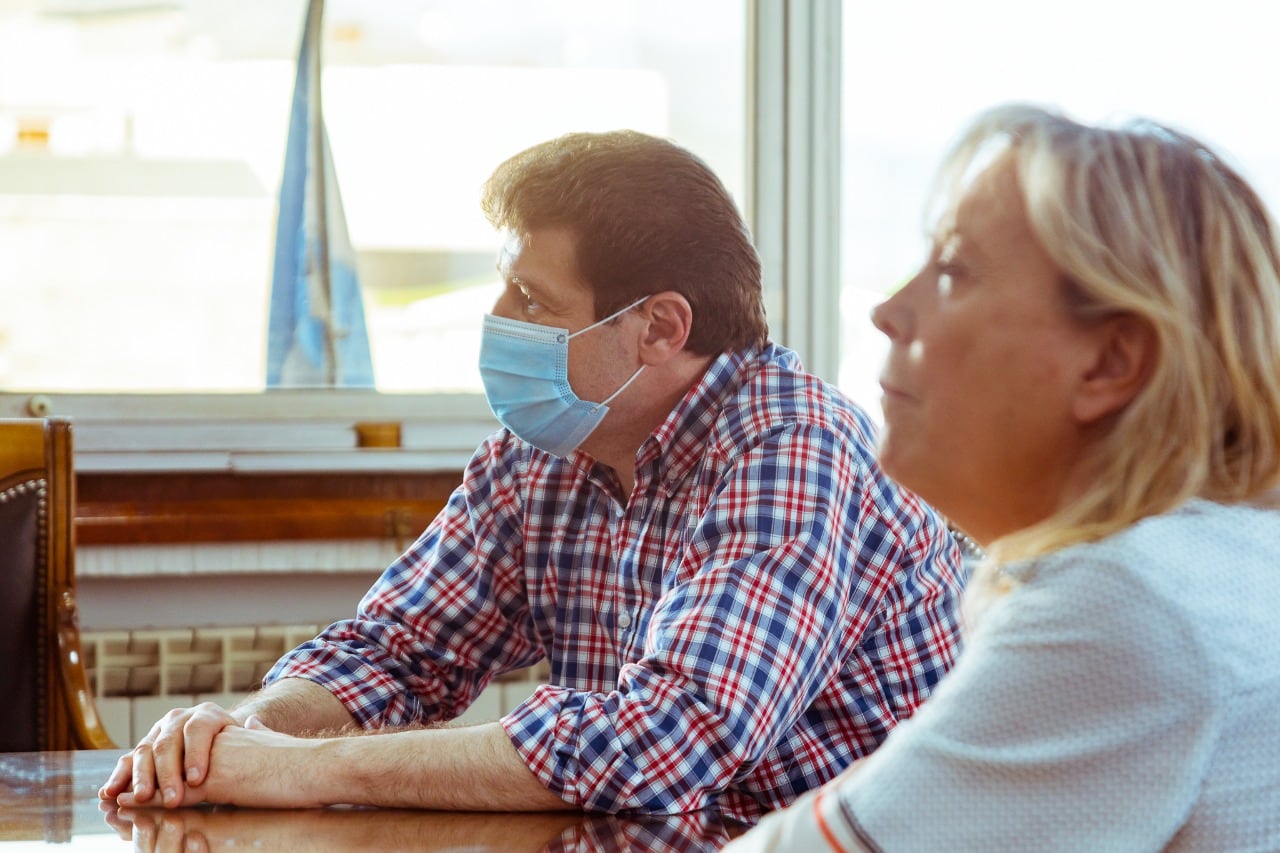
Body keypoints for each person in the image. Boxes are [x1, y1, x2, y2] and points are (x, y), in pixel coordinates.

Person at [100, 130, 966, 821]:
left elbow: (668, 741)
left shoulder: (793, 447)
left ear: (660, 327)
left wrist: (305, 770)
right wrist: (241, 734)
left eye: (533, 301)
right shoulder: (546, 449)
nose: (497, 322)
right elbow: (396, 651)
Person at [725, 103, 1280, 852]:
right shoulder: (1213, 562)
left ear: (1110, 363)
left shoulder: (1129, 602)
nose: (890, 311)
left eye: (953, 270)